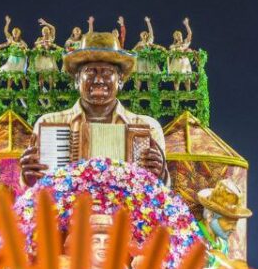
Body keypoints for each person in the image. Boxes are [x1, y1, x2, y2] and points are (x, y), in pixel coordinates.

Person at [19, 30, 168, 187]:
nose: (98, 80)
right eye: (90, 72)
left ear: (121, 80)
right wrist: (29, 179)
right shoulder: (50, 122)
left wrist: (161, 175)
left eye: (107, 72)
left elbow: (160, 195)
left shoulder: (149, 127)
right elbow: (37, 190)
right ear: (77, 80)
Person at [196, 179, 251, 269]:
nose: (234, 229)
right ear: (210, 216)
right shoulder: (193, 236)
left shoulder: (223, 244)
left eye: (235, 223)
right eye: (229, 222)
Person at [0, 16, 29, 87]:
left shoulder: (21, 41)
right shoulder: (10, 39)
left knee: (21, 75)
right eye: (14, 32)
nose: (15, 33)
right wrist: (7, 23)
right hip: (12, 59)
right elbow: (5, 31)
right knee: (10, 75)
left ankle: (24, 90)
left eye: (16, 32)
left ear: (19, 34)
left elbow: (26, 47)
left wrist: (22, 47)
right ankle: (8, 90)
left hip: (20, 59)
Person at [131, 16, 160, 90]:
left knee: (150, 77)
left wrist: (148, 22)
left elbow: (151, 31)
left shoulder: (149, 41)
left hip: (148, 60)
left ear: (147, 35)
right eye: (142, 34)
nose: (144, 35)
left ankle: (151, 92)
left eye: (145, 34)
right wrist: (137, 48)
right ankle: (136, 93)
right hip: (140, 61)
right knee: (138, 77)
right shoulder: (139, 43)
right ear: (141, 36)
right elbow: (132, 51)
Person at [32, 18, 61, 90]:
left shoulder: (51, 38)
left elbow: (53, 28)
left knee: (50, 74)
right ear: (42, 33)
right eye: (44, 31)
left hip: (49, 58)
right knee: (41, 75)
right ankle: (41, 90)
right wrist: (40, 44)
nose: (45, 32)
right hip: (41, 58)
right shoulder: (39, 39)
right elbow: (35, 45)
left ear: (49, 31)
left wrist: (45, 23)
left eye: (46, 30)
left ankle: (51, 90)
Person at [167, 17, 194, 90]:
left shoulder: (185, 42)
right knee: (177, 78)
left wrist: (186, 24)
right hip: (177, 62)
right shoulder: (173, 46)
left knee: (187, 78)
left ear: (181, 35)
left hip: (184, 61)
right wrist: (176, 47)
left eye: (179, 35)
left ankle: (188, 92)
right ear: (175, 38)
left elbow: (190, 34)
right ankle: (177, 93)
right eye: (177, 36)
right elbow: (171, 50)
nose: (178, 36)